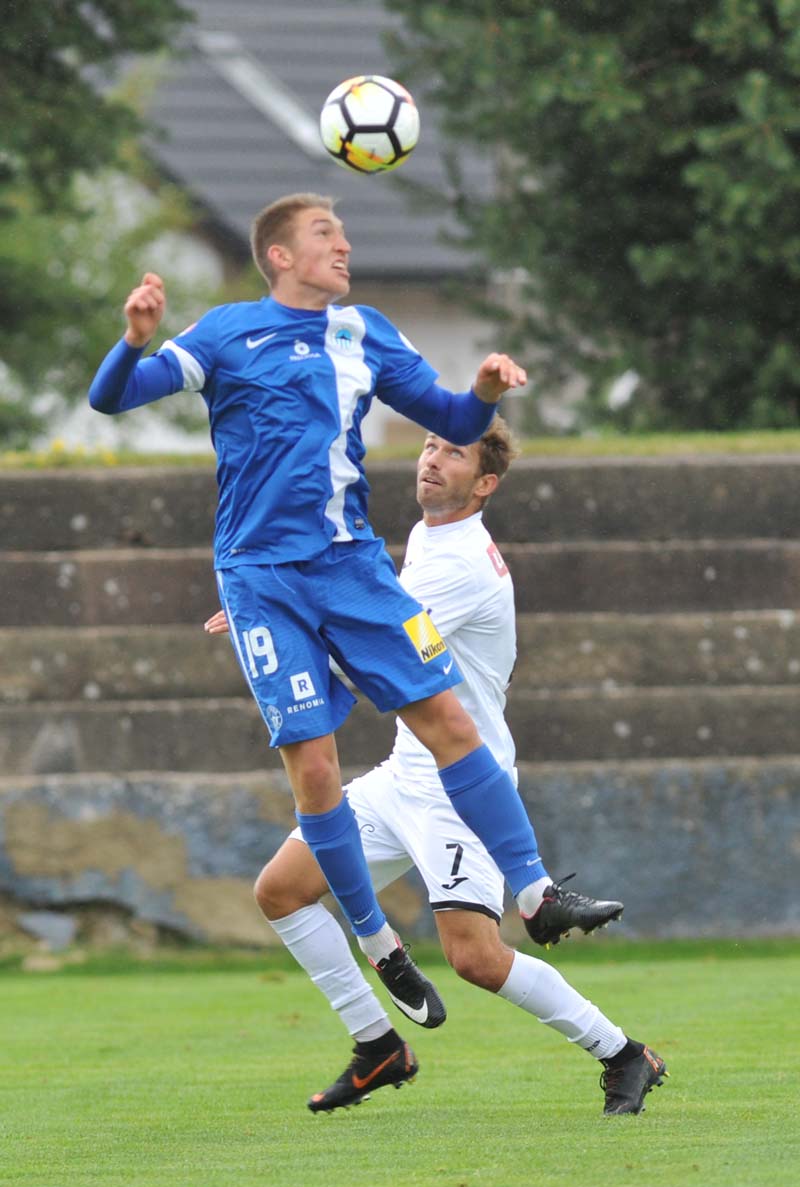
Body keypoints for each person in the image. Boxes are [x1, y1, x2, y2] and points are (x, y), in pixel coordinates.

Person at [89, 192, 622, 1027]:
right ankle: (380, 944)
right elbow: (111, 398)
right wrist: (134, 339)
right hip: (262, 576)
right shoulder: (227, 333)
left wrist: (483, 390)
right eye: (324, 234)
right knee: (315, 773)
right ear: (279, 256)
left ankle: (536, 892)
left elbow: (453, 417)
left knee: (450, 722)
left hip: (350, 567)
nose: (343, 246)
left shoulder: (364, 331)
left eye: (341, 233)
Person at [206, 416, 668, 1117]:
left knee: (475, 958)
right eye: (430, 446)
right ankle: (378, 1046)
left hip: (462, 789)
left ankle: (625, 1055)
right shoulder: (430, 537)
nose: (432, 460)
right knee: (280, 891)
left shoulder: (459, 563)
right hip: (405, 774)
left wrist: (268, 617)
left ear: (485, 485)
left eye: (454, 454)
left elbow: (370, 659)